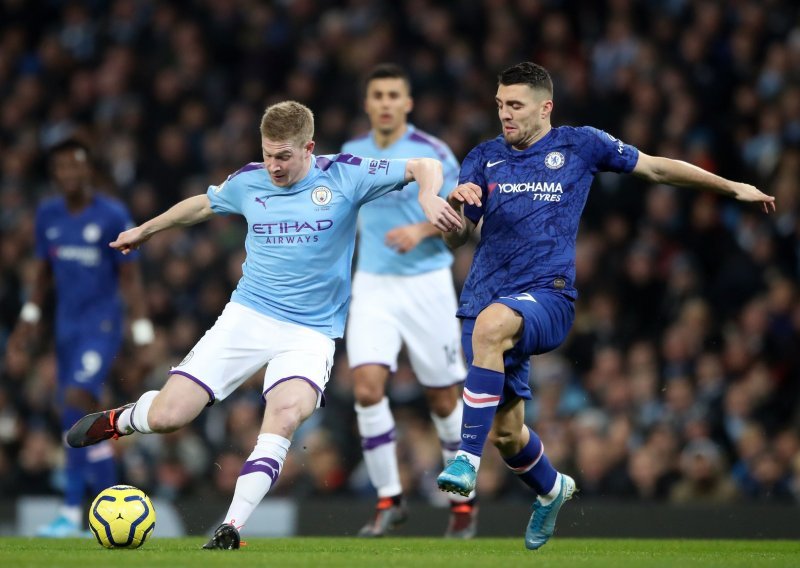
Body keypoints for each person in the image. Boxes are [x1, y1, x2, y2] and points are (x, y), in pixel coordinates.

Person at [65, 101, 461, 550]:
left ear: (309, 148)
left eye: (284, 156)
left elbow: (424, 163)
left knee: (286, 416)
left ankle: (231, 527)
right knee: (169, 416)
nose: (273, 165)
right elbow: (203, 204)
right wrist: (147, 230)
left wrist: (428, 195)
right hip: (248, 317)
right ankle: (125, 418)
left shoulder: (345, 174)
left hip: (310, 333)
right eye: (268, 153)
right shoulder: (250, 179)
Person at [435, 62, 775, 550]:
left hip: (548, 294)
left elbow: (658, 167)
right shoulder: (483, 158)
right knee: (508, 435)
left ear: (545, 106)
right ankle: (552, 490)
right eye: (499, 105)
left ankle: (464, 460)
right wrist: (454, 215)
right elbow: (458, 239)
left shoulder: (579, 144)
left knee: (492, 330)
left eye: (515, 106)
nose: (504, 115)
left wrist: (730, 186)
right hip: (483, 297)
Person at [342, 64, 474, 538]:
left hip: (427, 285)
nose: (384, 102)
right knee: (366, 390)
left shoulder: (434, 151)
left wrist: (422, 229)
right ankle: (388, 499)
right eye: (377, 94)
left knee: (442, 399)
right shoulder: (352, 155)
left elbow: (465, 212)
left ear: (408, 103)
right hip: (372, 285)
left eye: (393, 94)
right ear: (367, 102)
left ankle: (463, 505)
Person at [7, 139, 154, 537]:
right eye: (62, 168)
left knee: (76, 398)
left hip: (101, 326)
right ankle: (106, 502)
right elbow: (41, 274)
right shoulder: (48, 215)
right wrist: (29, 318)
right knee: (73, 414)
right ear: (54, 173)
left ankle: (75, 510)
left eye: (77, 167)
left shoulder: (111, 214)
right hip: (65, 328)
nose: (70, 174)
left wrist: (142, 334)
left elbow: (131, 277)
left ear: (88, 170)